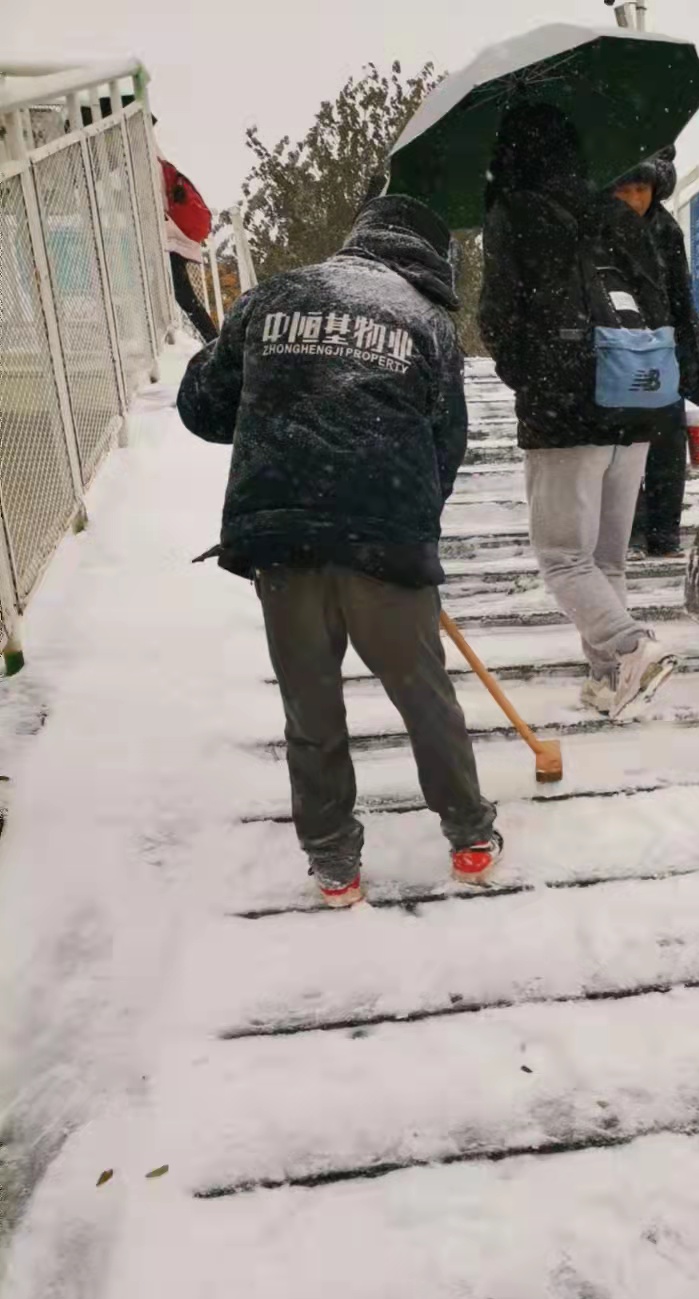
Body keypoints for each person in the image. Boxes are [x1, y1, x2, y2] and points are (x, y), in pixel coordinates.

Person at [177, 194, 500, 903]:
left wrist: (259, 382)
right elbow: (444, 448)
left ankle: (332, 861)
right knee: (425, 697)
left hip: (282, 537)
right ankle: (470, 837)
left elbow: (203, 408)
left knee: (310, 705)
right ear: (429, 259)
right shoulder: (427, 324)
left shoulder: (272, 298)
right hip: (384, 540)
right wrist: (406, 530)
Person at [479, 105, 677, 719]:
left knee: (564, 556)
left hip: (564, 403)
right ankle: (608, 679)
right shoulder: (614, 210)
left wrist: (530, 377)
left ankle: (632, 646)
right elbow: (659, 299)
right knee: (605, 559)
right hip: (634, 395)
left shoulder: (516, 212)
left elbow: (498, 315)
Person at [632, 145, 699, 558]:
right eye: (628, 189)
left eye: (643, 189)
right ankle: (631, 525)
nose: (635, 198)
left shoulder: (666, 230)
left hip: (662, 348)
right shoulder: (597, 226)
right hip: (616, 348)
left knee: (667, 441)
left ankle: (662, 531)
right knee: (623, 442)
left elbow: (681, 296)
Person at [161, 154, 219, 344]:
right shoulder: (165, 169)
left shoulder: (153, 169)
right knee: (185, 297)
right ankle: (213, 340)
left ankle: (214, 341)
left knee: (184, 297)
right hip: (178, 240)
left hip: (174, 240)